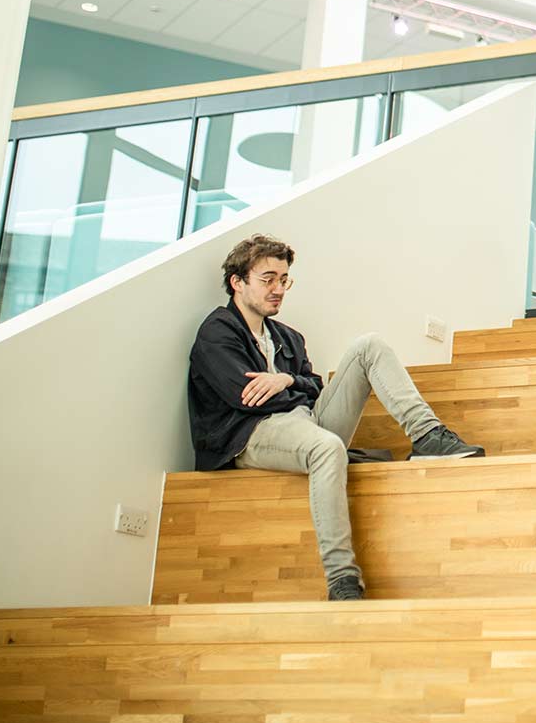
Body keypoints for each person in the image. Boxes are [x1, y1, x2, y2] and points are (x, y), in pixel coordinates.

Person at [187, 234, 485, 601]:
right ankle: (342, 579)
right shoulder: (218, 332)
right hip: (249, 434)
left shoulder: (289, 337)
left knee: (369, 345)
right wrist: (299, 391)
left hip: (304, 423)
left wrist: (285, 380)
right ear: (238, 282)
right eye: (268, 279)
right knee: (327, 447)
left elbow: (312, 385)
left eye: (284, 280)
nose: (278, 288)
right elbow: (247, 399)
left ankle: (428, 436)